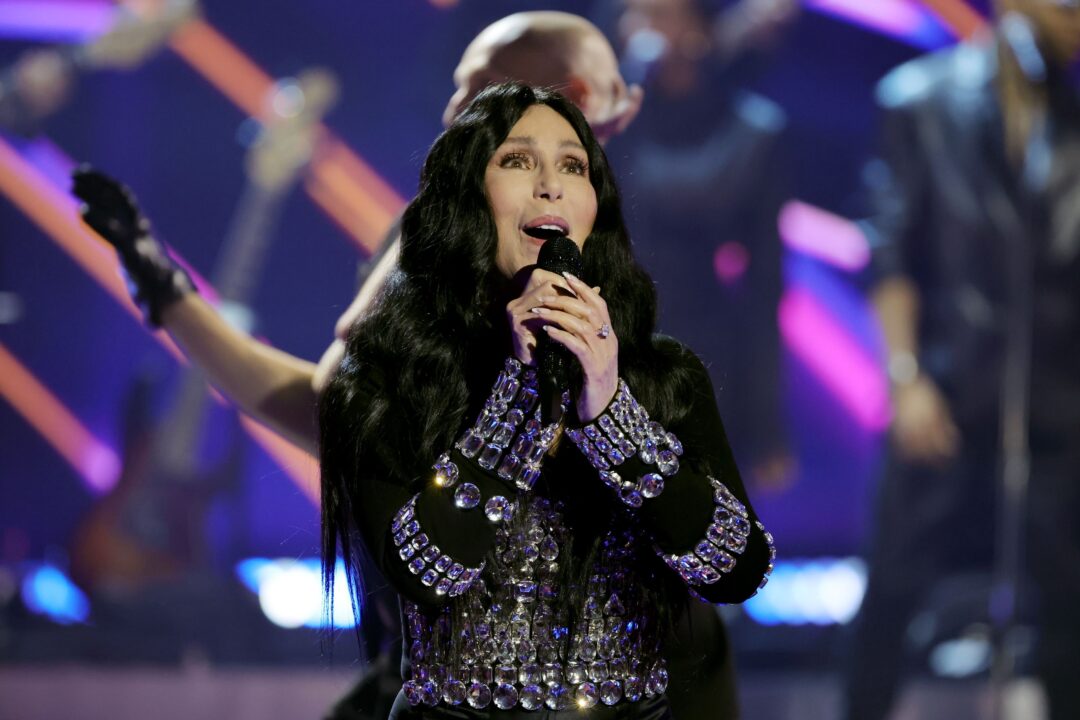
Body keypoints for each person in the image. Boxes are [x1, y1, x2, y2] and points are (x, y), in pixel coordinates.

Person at [318, 81, 773, 718]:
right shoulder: (388, 380)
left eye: (572, 165)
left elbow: (736, 568)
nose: (550, 185)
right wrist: (523, 388)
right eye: (517, 160)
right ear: (465, 197)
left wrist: (611, 410)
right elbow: (429, 572)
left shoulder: (666, 376)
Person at [843, 1, 1080, 718]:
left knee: (1070, 605)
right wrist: (907, 377)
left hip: (1060, 400)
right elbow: (891, 249)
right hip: (944, 389)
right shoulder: (923, 98)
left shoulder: (1070, 112)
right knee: (891, 594)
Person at [602, 0, 799, 490]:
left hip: (703, 355)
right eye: (634, 13)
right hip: (609, 344)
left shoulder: (753, 133)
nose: (641, 29)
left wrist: (766, 426)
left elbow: (764, 287)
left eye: (660, 13)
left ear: (701, 30)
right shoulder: (607, 125)